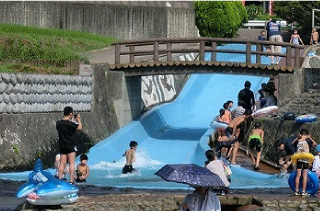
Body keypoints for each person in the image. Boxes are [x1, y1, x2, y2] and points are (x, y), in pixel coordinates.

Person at [56, 106, 82, 184]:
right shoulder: (71, 124)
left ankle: (60, 179)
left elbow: (67, 124)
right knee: (71, 163)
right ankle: (71, 180)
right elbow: (79, 128)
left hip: (62, 145)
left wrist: (72, 120)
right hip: (71, 146)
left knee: (62, 163)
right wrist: (78, 119)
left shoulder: (58, 123)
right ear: (70, 114)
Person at [292, 129, 317, 196]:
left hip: (298, 159)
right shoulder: (308, 141)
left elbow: (292, 144)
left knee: (298, 175)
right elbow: (315, 144)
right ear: (307, 134)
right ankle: (303, 191)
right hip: (305, 160)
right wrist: (310, 138)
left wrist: (298, 137)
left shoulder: (297, 141)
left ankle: (296, 191)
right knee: (305, 175)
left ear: (300, 134)